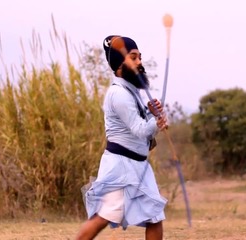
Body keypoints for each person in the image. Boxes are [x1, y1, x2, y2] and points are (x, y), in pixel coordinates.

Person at [75, 35, 168, 240]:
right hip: (121, 167)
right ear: (119, 65)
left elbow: (142, 129)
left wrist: (152, 113)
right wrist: (157, 121)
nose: (139, 62)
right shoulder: (119, 94)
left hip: (138, 166)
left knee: (154, 217)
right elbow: (140, 129)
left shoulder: (131, 91)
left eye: (139, 57)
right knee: (103, 217)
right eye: (133, 58)